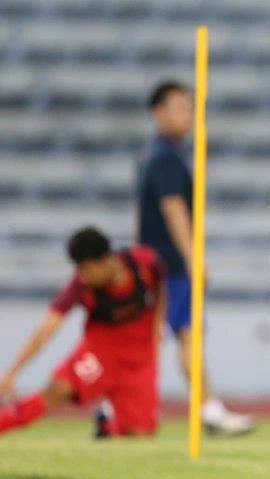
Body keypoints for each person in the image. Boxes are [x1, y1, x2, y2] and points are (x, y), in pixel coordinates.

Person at [136, 80, 255, 436]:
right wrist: (193, 258)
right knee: (159, 337)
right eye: (180, 107)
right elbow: (173, 208)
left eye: (190, 107)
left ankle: (208, 408)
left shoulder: (154, 154)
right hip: (169, 265)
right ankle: (118, 405)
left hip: (157, 261)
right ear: (158, 112)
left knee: (184, 335)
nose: (187, 115)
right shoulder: (165, 158)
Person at [0, 227, 165, 438]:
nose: (83, 277)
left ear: (105, 260)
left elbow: (161, 289)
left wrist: (157, 326)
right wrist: (13, 372)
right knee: (58, 390)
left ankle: (107, 425)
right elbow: (45, 330)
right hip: (100, 356)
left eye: (86, 270)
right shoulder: (79, 286)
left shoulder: (144, 262)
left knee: (140, 434)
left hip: (139, 360)